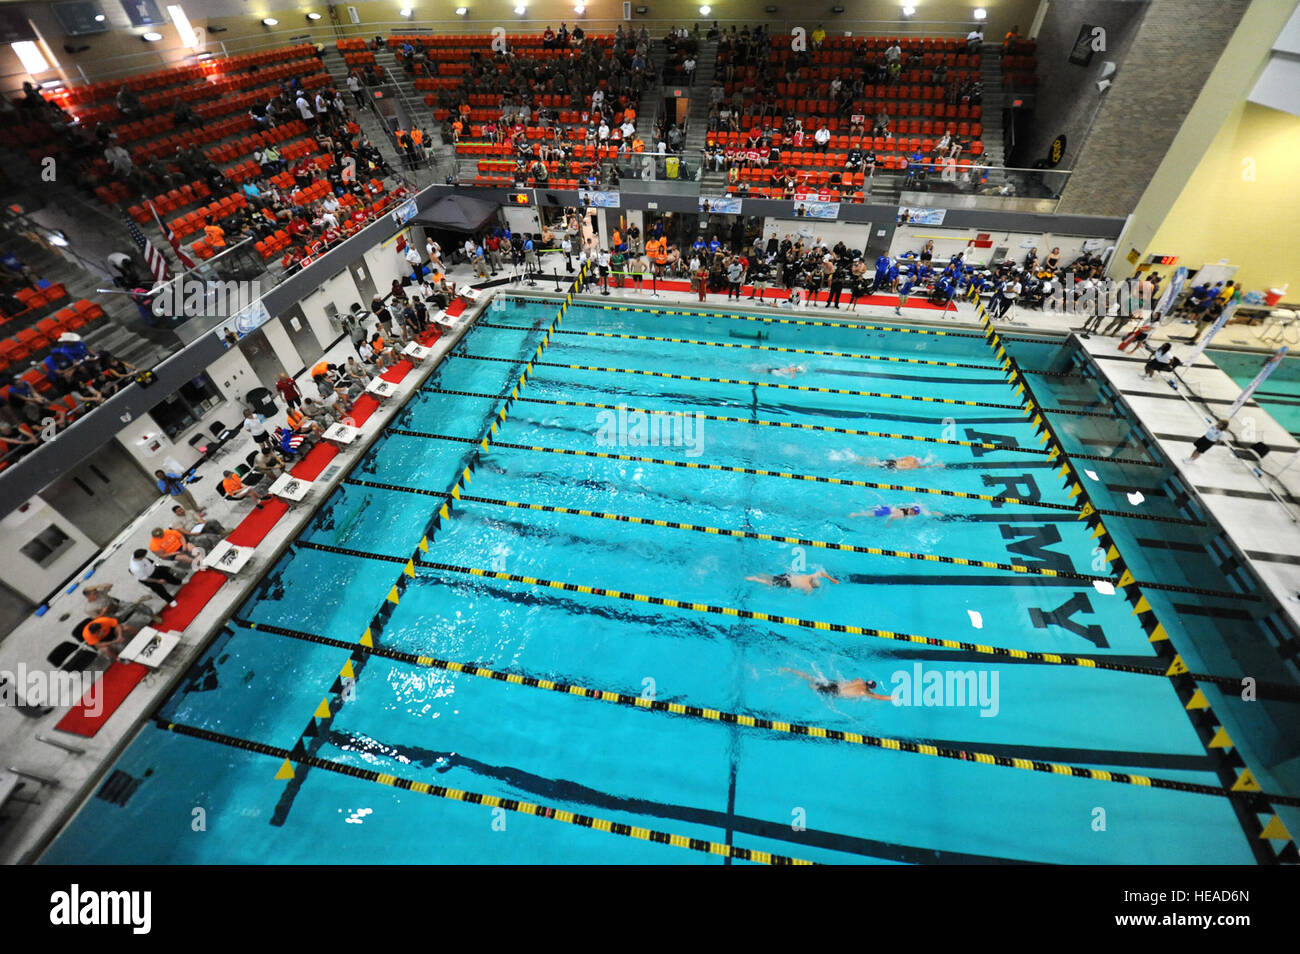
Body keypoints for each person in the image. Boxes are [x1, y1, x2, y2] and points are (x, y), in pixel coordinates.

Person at [783, 668, 893, 700]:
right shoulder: (864, 692)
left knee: (811, 678)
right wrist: (893, 697)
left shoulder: (859, 680)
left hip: (835, 684)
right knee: (811, 686)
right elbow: (880, 697)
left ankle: (790, 670)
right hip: (836, 691)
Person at [746, 569, 839, 593]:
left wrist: (832, 579)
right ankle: (755, 579)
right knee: (771, 583)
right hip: (788, 583)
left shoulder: (809, 577)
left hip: (788, 576)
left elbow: (822, 573)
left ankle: (759, 574)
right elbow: (805, 595)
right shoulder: (808, 588)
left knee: (772, 577)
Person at [851, 502, 942, 521]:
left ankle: (856, 511)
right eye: (915, 513)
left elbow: (922, 511)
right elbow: (892, 518)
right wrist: (888, 525)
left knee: (868, 509)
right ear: (912, 512)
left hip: (887, 508)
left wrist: (934, 513)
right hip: (885, 512)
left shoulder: (906, 508)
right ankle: (854, 514)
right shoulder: (902, 514)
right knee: (868, 515)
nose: (915, 515)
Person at [850, 453, 944, 470]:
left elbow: (900, 458)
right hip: (894, 467)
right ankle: (859, 462)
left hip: (893, 462)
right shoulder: (915, 466)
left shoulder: (910, 457)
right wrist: (936, 465)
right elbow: (926, 467)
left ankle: (860, 458)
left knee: (877, 461)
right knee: (873, 465)